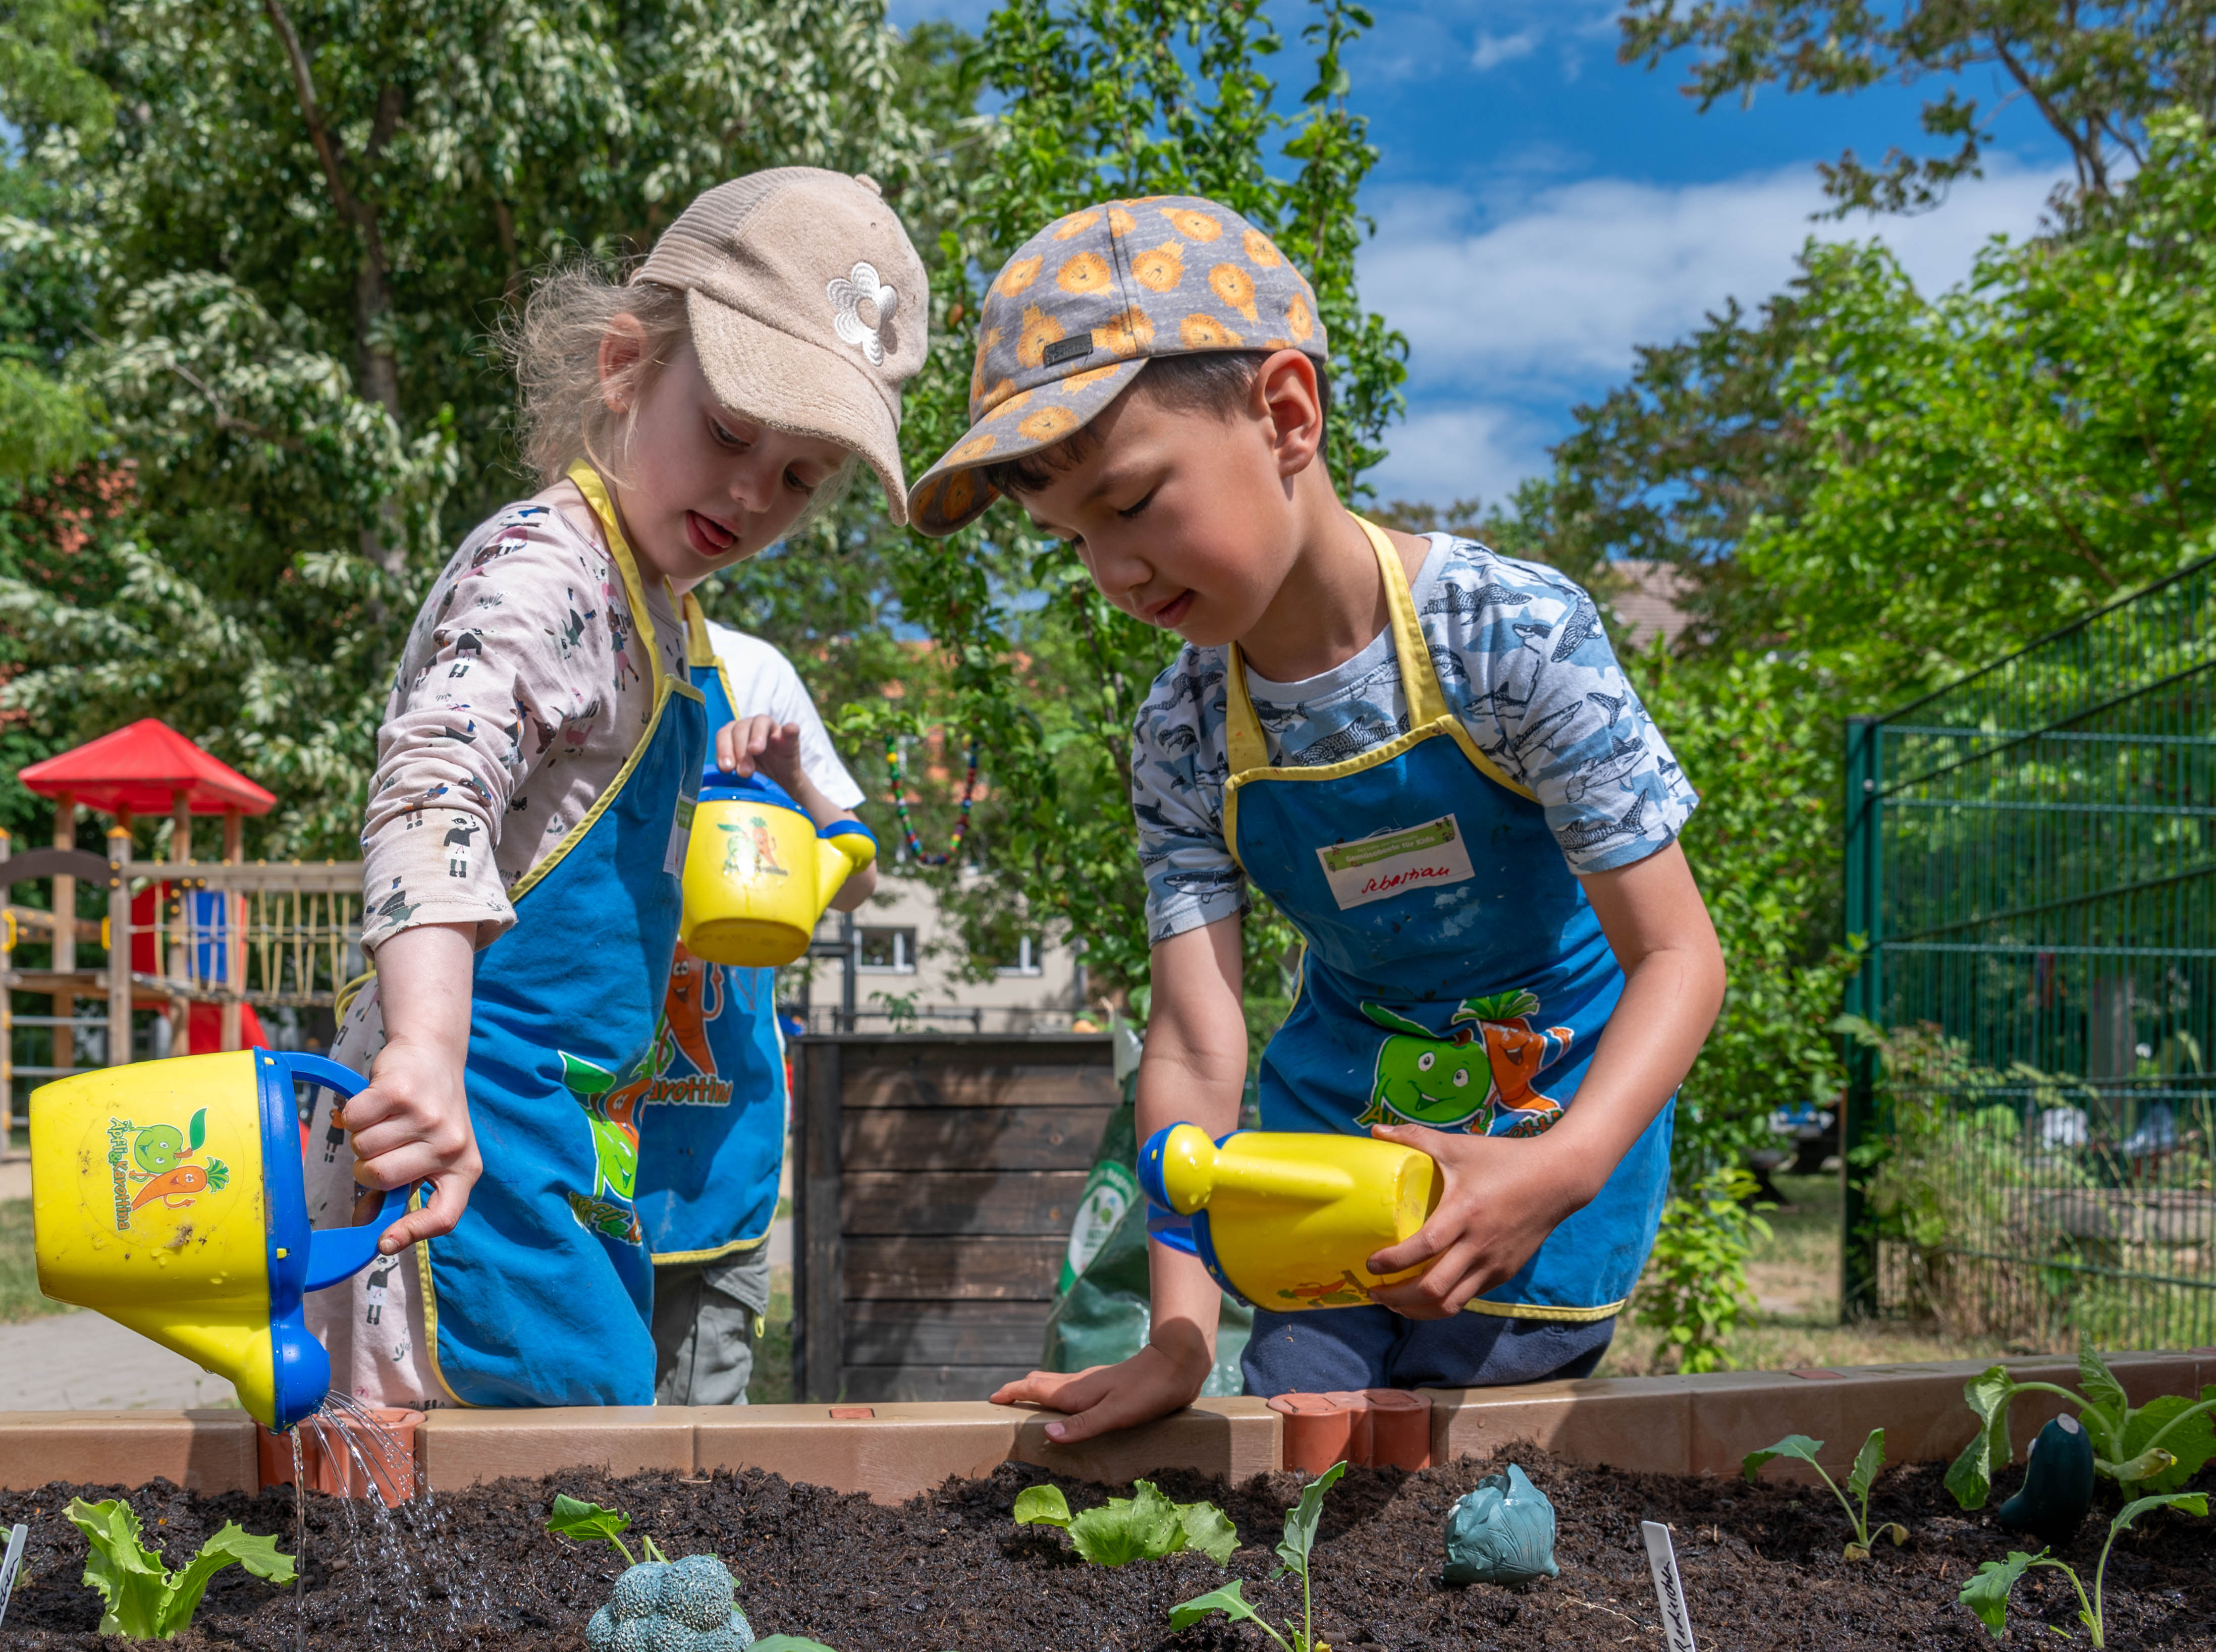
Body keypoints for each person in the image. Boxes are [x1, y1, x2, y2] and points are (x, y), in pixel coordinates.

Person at [904, 196, 1724, 1442]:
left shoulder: (1508, 638)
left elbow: (1677, 954)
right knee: (1304, 1426)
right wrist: (1176, 1333)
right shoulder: (1181, 733)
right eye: (1069, 539)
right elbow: (1191, 1045)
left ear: (1285, 415)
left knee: (1464, 1455)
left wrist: (1555, 1172)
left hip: (1540, 1131)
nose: (1111, 571)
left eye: (1128, 503)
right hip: (1326, 1140)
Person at [302, 169, 928, 1409]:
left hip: (574, 1131)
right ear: (625, 362)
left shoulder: (667, 616)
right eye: (734, 432)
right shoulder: (543, 574)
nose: (755, 493)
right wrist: (423, 1046)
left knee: (574, 1461)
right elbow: (431, 793)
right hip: (461, 1129)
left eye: (802, 476)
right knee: (540, 1452)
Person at [642, 587, 877, 1404]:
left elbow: (857, 874)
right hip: (588, 1126)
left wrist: (789, 778)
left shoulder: (752, 669)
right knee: (582, 1420)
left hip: (719, 1123)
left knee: (708, 1404)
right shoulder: (567, 647)